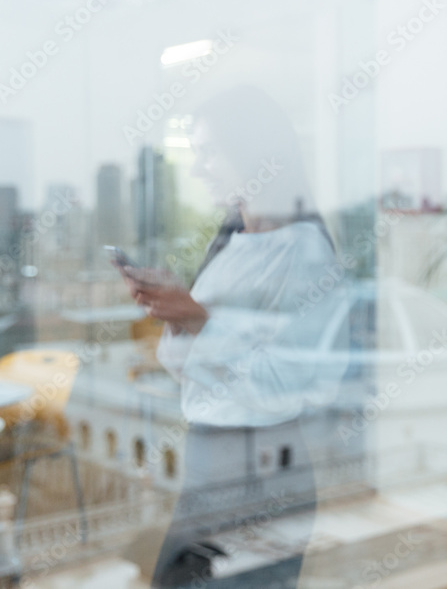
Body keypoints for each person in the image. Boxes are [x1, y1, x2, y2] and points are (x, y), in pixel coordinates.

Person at [118, 86, 346, 587]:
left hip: (259, 468)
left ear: (256, 154)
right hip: (211, 464)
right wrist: (178, 313)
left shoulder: (305, 252)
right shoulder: (232, 246)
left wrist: (199, 320)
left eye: (209, 153)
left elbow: (289, 382)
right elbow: (185, 357)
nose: (198, 169)